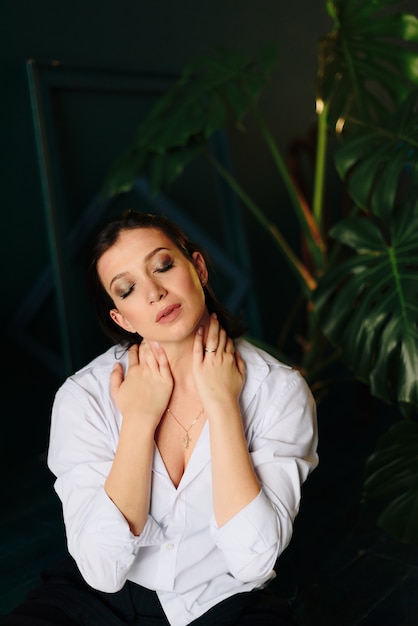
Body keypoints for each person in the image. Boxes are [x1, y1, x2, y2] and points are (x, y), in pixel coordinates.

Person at [1, 210, 318, 626]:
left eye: (163, 266)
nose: (153, 292)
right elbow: (101, 570)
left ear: (198, 268)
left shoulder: (278, 391)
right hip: (98, 599)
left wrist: (224, 406)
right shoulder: (85, 397)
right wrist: (137, 420)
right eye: (127, 288)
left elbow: (252, 561)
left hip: (222, 599)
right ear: (121, 317)